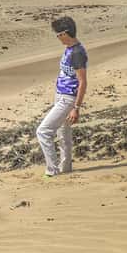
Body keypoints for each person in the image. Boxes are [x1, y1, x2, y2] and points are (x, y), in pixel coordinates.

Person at [36, 16, 88, 177]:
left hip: (68, 99)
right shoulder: (69, 49)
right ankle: (66, 169)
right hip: (60, 96)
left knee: (43, 131)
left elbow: (83, 82)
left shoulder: (77, 53)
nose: (58, 38)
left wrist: (76, 108)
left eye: (59, 34)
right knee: (63, 135)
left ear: (65, 33)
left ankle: (52, 170)